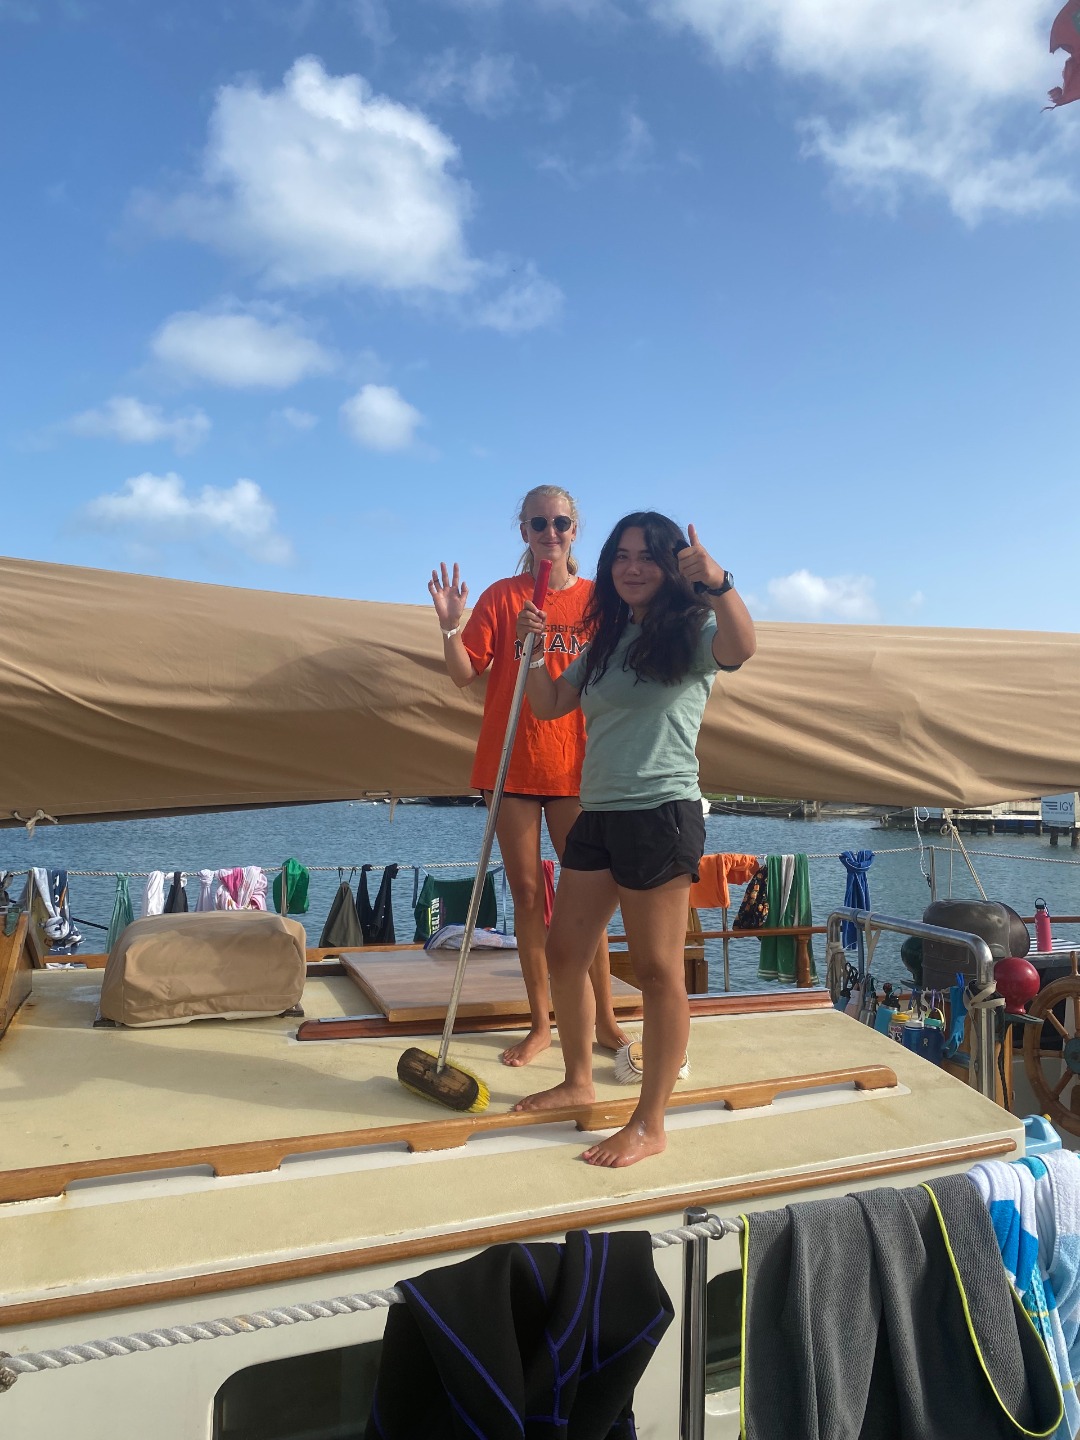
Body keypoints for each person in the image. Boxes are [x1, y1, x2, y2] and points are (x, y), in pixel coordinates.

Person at [511, 512, 756, 1166]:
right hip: (599, 812)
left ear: (673, 565)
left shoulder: (695, 630)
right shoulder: (608, 639)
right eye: (621, 556)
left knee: (655, 970)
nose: (632, 567)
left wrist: (720, 583)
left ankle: (650, 1124)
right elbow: (549, 704)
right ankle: (577, 1081)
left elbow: (742, 648)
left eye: (647, 556)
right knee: (565, 952)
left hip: (660, 813)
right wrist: (529, 652)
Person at [428, 485, 630, 1067]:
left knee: (587, 896)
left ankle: (605, 1019)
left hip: (576, 768)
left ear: (574, 530)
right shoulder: (503, 597)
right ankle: (541, 1024)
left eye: (560, 523)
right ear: (524, 532)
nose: (550, 533)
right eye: (538, 524)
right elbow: (463, 674)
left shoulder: (598, 602)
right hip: (510, 763)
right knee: (527, 893)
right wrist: (451, 627)